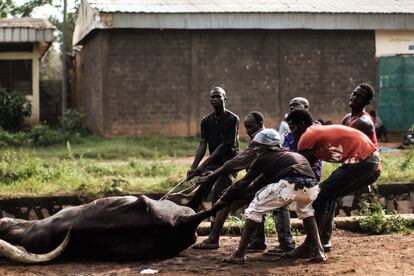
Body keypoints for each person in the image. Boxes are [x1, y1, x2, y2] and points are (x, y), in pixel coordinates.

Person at [218, 129, 326, 264]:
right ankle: (319, 252)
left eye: (257, 145)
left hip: (290, 184)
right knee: (307, 213)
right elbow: (259, 182)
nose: (255, 149)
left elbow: (242, 183)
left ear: (267, 146)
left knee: (254, 209)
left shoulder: (263, 158)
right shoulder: (290, 154)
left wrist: (225, 198)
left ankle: (239, 254)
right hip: (312, 187)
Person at [285, 109, 380, 259]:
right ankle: (321, 242)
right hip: (371, 163)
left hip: (362, 161)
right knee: (328, 195)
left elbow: (302, 168)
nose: (291, 132)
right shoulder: (315, 131)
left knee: (321, 195)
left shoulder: (306, 136)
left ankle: (311, 245)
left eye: (292, 128)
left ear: (302, 124)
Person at [249, 96, 322, 255]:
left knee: (277, 201)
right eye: (290, 106)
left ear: (306, 107)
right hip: (291, 175)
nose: (292, 108)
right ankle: (261, 241)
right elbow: (287, 154)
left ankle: (287, 243)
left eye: (296, 105)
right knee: (301, 210)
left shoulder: (314, 128)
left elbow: (307, 157)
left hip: (308, 176)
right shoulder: (290, 133)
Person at [191, 111, 265, 249]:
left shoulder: (259, 140)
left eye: (250, 126)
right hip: (263, 179)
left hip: (260, 180)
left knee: (224, 202)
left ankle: (213, 239)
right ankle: (258, 240)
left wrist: (207, 173)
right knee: (255, 206)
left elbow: (235, 162)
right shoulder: (266, 136)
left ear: (260, 124)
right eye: (246, 127)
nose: (248, 131)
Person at [186, 87, 239, 220]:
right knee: (199, 192)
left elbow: (224, 147)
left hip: (228, 165)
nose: (215, 99)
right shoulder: (206, 121)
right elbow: (202, 144)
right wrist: (193, 168)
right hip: (213, 165)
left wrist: (202, 166)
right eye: (213, 97)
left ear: (225, 99)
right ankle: (187, 221)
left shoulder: (232, 119)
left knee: (218, 193)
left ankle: (213, 235)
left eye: (218, 96)